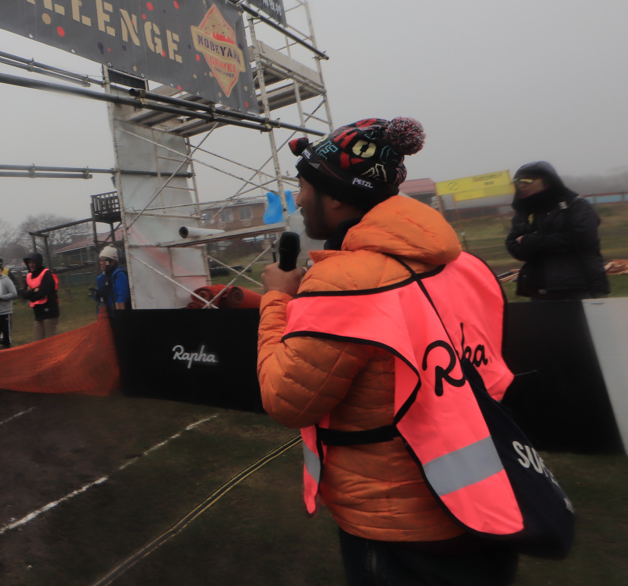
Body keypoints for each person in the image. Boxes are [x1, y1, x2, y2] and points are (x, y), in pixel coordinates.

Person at [258, 117, 520, 586]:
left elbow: (286, 399)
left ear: (335, 195)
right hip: (489, 499)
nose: (297, 200)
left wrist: (277, 300)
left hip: (400, 523)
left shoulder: (343, 282)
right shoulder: (465, 264)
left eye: (301, 187)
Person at [506, 161, 609, 301]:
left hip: (578, 286)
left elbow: (581, 239)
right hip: (539, 287)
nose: (521, 185)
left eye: (527, 180)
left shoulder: (576, 206)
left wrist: (530, 240)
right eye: (517, 181)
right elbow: (514, 246)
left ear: (548, 181)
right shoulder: (526, 212)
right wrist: (547, 243)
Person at [21, 251, 60, 341]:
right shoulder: (29, 276)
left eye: (33, 262)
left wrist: (31, 294)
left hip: (49, 312)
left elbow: (43, 292)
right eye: (29, 262)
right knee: (37, 341)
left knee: (50, 339)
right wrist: (33, 290)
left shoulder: (47, 274)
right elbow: (23, 294)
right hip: (38, 313)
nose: (31, 265)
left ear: (38, 262)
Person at [93, 245, 130, 321]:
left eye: (104, 260)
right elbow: (101, 296)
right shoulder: (101, 278)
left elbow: (123, 295)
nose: (101, 263)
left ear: (112, 262)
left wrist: (119, 314)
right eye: (100, 260)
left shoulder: (119, 275)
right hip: (106, 317)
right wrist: (96, 295)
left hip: (118, 316)